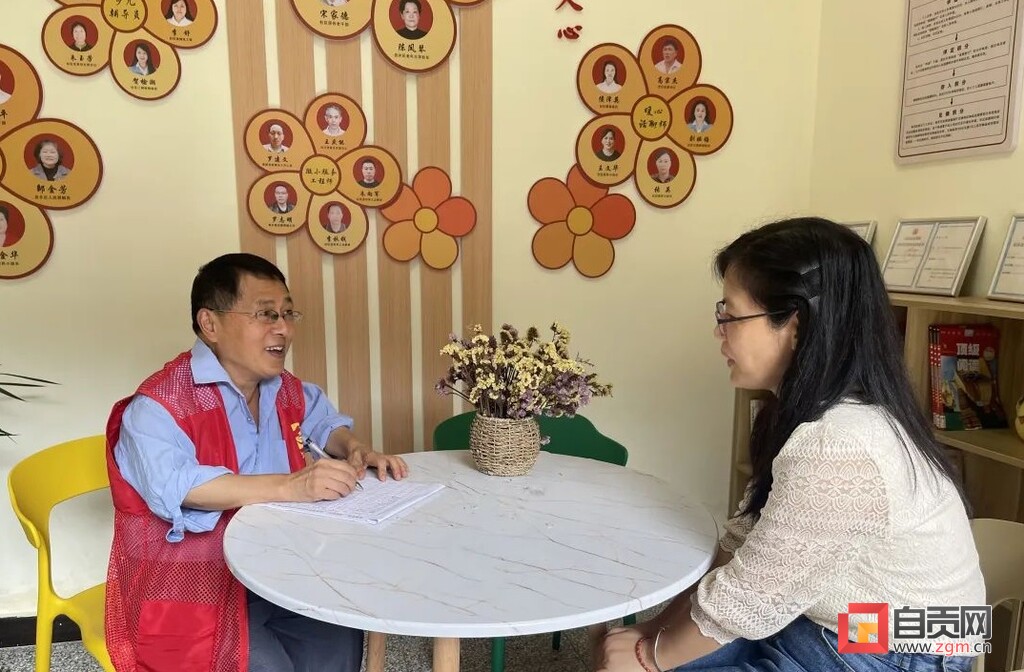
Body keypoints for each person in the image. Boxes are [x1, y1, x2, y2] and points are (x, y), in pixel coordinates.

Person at [596, 218, 984, 672]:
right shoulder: (812, 413)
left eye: (730, 315)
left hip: (910, 644)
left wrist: (651, 658)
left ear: (795, 325)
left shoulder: (839, 444)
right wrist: (654, 632)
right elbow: (744, 549)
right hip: (849, 621)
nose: (718, 331)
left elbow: (752, 596)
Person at [105, 253, 408, 672]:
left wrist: (355, 448)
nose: (283, 328)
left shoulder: (283, 388)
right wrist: (292, 486)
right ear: (210, 324)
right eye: (266, 314)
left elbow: (322, 422)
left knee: (339, 636)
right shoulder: (158, 406)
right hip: (196, 589)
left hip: (283, 569)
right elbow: (180, 487)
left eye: (287, 313)